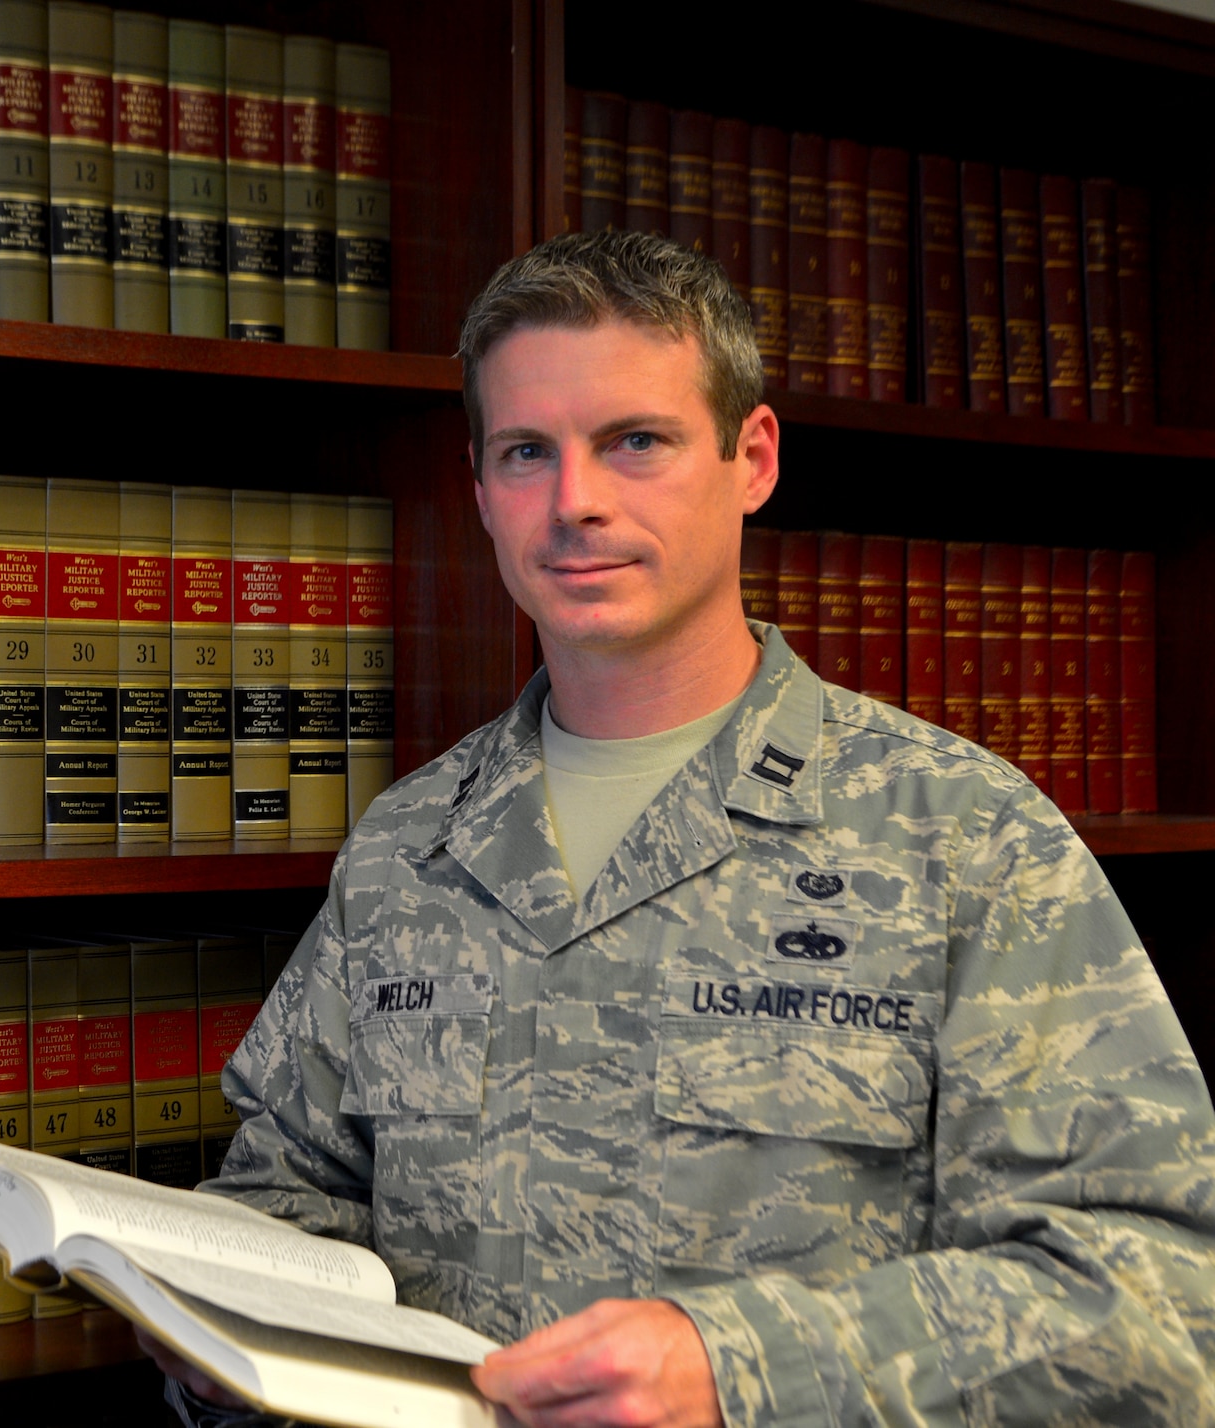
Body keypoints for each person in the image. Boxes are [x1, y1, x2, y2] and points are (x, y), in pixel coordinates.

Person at [142, 230, 1215, 1427]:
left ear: (749, 457)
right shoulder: (407, 849)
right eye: (525, 453)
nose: (574, 502)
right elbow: (296, 1194)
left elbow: (1158, 1304)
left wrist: (740, 1371)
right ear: (479, 486)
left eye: (633, 442)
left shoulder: (961, 838)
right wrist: (214, 1332)